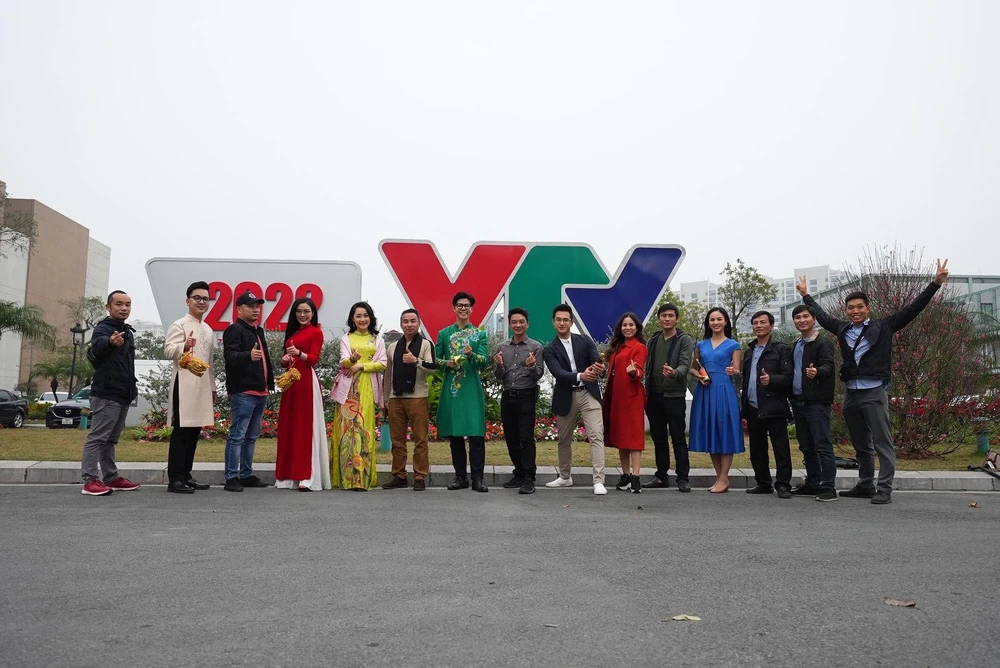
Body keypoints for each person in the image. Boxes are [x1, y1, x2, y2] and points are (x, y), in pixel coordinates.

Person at [797, 258, 950, 504]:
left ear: (868, 308)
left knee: (882, 443)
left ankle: (884, 489)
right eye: (851, 308)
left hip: (874, 393)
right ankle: (866, 484)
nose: (855, 311)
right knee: (861, 444)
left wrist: (935, 284)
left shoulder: (884, 326)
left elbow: (913, 309)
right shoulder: (843, 329)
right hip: (851, 394)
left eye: (860, 307)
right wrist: (805, 295)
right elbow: (822, 317)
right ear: (846, 310)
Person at [79, 290, 141, 496]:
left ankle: (111, 477)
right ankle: (90, 480)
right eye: (119, 304)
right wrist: (109, 343)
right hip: (107, 393)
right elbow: (96, 349)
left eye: (127, 304)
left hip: (123, 393)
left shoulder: (127, 331)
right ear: (108, 307)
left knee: (110, 440)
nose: (124, 308)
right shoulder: (103, 329)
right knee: (98, 438)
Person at [542, 303, 608, 495]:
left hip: (589, 393)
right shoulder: (549, 349)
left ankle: (598, 481)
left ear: (571, 322)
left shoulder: (584, 340)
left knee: (596, 436)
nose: (562, 323)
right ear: (553, 322)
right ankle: (565, 477)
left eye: (565, 320)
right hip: (566, 395)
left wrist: (599, 369)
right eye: (558, 320)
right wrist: (581, 375)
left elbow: (596, 362)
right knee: (564, 439)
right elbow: (558, 373)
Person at [164, 281, 216, 494]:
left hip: (202, 385)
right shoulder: (179, 325)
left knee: (194, 431)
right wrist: (182, 346)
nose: (201, 302)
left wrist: (213, 387)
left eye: (205, 299)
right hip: (184, 384)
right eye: (197, 298)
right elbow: (168, 351)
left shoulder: (208, 328)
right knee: (182, 431)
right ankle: (175, 478)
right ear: (188, 301)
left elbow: (210, 361)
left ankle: (186, 475)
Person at [436, 292, 490, 493]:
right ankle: (460, 477)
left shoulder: (479, 334)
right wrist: (447, 363)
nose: (463, 308)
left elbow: (484, 361)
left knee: (476, 435)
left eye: (467, 305)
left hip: (472, 389)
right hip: (452, 390)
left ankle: (478, 479)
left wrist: (471, 354)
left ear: (472, 309)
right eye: (460, 305)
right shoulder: (444, 334)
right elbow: (435, 360)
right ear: (454, 308)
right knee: (455, 435)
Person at [221, 291, 275, 492]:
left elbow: (264, 360)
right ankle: (231, 477)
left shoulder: (257, 330)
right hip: (243, 391)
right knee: (237, 436)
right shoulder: (234, 330)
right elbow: (230, 357)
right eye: (250, 306)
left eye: (257, 306)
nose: (255, 310)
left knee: (251, 437)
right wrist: (248, 355)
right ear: (239, 309)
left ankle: (245, 474)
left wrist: (269, 383)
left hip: (260, 391)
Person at [276, 297, 331, 491]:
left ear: (313, 313)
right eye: (299, 311)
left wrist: (299, 353)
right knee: (289, 427)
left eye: (306, 311)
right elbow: (286, 361)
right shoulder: (292, 333)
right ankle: (288, 476)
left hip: (306, 382)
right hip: (291, 383)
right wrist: (285, 359)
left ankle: (307, 476)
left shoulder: (316, 333)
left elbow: (314, 359)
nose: (302, 315)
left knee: (304, 427)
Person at [331, 301, 387, 491]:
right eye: (358, 316)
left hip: (367, 387)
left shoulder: (377, 339)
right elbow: (344, 362)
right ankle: (348, 478)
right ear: (352, 319)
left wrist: (361, 365)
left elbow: (383, 363)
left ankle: (362, 479)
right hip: (348, 389)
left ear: (370, 318)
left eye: (365, 315)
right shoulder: (346, 338)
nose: (362, 319)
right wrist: (352, 360)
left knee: (363, 429)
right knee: (347, 431)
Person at [689, 307, 744, 493]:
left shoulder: (734, 345)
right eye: (712, 319)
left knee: (724, 430)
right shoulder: (701, 344)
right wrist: (699, 375)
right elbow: (693, 368)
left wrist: (733, 371)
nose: (716, 322)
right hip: (705, 390)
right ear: (708, 323)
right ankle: (720, 478)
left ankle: (723, 477)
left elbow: (737, 370)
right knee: (711, 431)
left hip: (724, 390)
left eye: (719, 319)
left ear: (726, 321)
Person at [382, 308, 437, 491]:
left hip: (417, 397)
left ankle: (420, 476)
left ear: (419, 323)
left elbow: (433, 367)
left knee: (420, 439)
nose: (409, 325)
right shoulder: (392, 347)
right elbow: (388, 374)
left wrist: (416, 361)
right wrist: (386, 398)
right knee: (397, 440)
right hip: (395, 398)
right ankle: (399, 475)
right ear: (401, 324)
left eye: (413, 321)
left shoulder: (426, 345)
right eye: (405, 321)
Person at [741, 311, 794, 498]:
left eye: (763, 322)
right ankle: (763, 482)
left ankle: (783, 485)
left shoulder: (781, 349)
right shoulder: (749, 351)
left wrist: (772, 379)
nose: (759, 325)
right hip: (753, 406)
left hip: (774, 405)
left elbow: (789, 377)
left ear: (771, 326)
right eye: (755, 322)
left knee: (781, 448)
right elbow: (746, 379)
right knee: (757, 448)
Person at [643, 303, 694, 492]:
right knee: (659, 438)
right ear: (659, 318)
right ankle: (661, 476)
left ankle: (683, 478)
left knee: (678, 438)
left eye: (671, 316)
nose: (667, 319)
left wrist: (674, 372)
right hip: (654, 395)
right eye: (664, 315)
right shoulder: (654, 339)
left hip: (674, 396)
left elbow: (685, 364)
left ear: (677, 319)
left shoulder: (684, 339)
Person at [789, 304, 838, 502]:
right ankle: (813, 483)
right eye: (797, 317)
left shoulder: (823, 343)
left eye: (805, 316)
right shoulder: (796, 344)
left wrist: (817, 371)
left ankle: (828, 487)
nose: (801, 320)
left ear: (814, 319)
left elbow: (828, 366)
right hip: (798, 401)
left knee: (822, 445)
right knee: (806, 446)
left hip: (816, 402)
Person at [493, 308, 544, 495]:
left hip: (527, 395)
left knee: (526, 438)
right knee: (511, 437)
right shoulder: (502, 347)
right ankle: (519, 473)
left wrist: (531, 366)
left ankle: (529, 478)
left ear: (527, 324)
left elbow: (538, 374)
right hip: (508, 395)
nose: (518, 325)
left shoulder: (536, 347)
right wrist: (499, 366)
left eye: (521, 322)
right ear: (509, 324)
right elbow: (498, 375)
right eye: (514, 322)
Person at [603, 312, 648, 493]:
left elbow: (639, 369)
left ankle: (636, 477)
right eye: (624, 325)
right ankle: (626, 475)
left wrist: (633, 373)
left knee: (634, 439)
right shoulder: (617, 347)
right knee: (621, 437)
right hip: (617, 397)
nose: (627, 328)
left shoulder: (640, 347)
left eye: (631, 325)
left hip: (632, 397)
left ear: (637, 328)